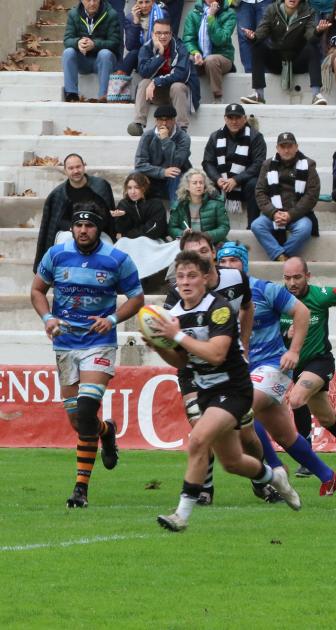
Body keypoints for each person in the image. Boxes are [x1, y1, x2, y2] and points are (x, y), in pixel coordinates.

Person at [148, 250, 300, 532]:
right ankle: (273, 476)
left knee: (198, 439)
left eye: (192, 275)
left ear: (205, 278)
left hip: (234, 387)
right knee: (232, 463)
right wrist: (159, 346)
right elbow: (181, 361)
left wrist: (175, 335)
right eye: (180, 276)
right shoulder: (175, 315)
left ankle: (181, 515)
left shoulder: (219, 308)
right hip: (207, 392)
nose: (185, 281)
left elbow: (217, 355)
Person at [30, 209, 144, 508]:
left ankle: (80, 488)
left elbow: (137, 297)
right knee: (79, 422)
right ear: (72, 228)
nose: (83, 230)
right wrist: (47, 318)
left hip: (98, 343)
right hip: (65, 343)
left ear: (98, 229)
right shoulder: (56, 255)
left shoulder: (117, 259)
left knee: (86, 408)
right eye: (78, 225)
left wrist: (112, 319)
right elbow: (37, 290)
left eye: (89, 225)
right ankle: (106, 430)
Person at [215, 244, 336, 498]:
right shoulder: (215, 298)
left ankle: (275, 470)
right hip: (241, 370)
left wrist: (294, 351)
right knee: (284, 435)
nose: (229, 266)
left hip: (272, 364)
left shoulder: (264, 289)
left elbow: (302, 312)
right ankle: (328, 476)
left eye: (234, 261)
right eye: (224, 261)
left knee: (241, 409)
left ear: (245, 264)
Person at [162, 232, 257, 506]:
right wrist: (159, 343)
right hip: (194, 371)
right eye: (192, 253)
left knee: (245, 437)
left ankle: (263, 477)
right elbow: (177, 352)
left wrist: (244, 343)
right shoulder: (175, 299)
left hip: (229, 371)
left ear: (212, 254)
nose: (198, 256)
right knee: (199, 426)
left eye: (203, 251)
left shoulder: (234, 280)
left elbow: (247, 308)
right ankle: (203, 489)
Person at [281, 257, 336, 481]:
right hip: (296, 365)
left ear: (308, 276)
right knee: (326, 418)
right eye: (287, 278)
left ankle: (306, 458)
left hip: (320, 361)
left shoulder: (319, 295)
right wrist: (285, 335)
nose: (292, 283)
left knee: (296, 398)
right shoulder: (279, 299)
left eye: (297, 277)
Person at [34, 154, 116, 273]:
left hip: (97, 232)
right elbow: (56, 222)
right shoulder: (58, 194)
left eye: (78, 167)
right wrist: (74, 228)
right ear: (65, 171)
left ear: (84, 166)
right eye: (71, 168)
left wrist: (93, 227)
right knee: (64, 244)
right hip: (69, 233)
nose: (75, 171)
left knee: (110, 249)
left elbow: (108, 216)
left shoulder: (100, 186)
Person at [239, 0, 328, 106]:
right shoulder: (272, 9)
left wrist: (317, 31)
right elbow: (261, 33)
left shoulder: (308, 12)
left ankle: (316, 95)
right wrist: (253, 37)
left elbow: (311, 37)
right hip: (277, 61)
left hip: (298, 61)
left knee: (312, 47)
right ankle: (259, 95)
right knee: (258, 46)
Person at [253, 132, 320, 261]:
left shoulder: (309, 165)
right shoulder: (267, 165)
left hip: (298, 215)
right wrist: (273, 213)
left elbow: (312, 195)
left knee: (305, 228)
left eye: (290, 146)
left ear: (296, 147)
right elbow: (260, 192)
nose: (286, 150)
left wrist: (290, 214)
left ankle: (281, 255)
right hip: (274, 214)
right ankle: (280, 256)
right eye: (283, 147)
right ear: (277, 148)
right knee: (257, 225)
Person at [129, 19, 201, 135]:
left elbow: (181, 75)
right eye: (159, 33)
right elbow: (144, 72)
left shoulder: (181, 48)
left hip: (180, 95)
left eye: (166, 33)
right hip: (158, 93)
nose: (163, 36)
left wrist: (156, 81)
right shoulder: (146, 48)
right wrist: (160, 54)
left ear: (171, 34)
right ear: (153, 34)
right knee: (144, 82)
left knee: (177, 86)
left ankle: (181, 128)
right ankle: (138, 124)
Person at [202, 103, 267, 229]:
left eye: (237, 118)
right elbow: (207, 162)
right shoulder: (215, 136)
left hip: (245, 181)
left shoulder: (256, 137)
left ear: (245, 118)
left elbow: (258, 164)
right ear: (225, 119)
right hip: (222, 181)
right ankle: (210, 228)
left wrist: (236, 180)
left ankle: (252, 227)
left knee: (255, 185)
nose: (234, 121)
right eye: (230, 118)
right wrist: (217, 179)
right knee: (206, 185)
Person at [62, 0, 122, 103]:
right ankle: (71, 94)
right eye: (88, 0)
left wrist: (94, 44)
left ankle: (103, 96)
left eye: (95, 0)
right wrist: (78, 43)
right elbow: (67, 39)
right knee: (68, 52)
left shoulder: (111, 14)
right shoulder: (73, 14)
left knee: (105, 54)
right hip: (82, 60)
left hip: (103, 62)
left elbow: (115, 42)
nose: (92, 3)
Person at [182, 0, 237, 104]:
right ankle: (189, 98)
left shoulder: (229, 13)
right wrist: (195, 52)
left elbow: (220, 39)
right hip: (200, 59)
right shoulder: (193, 13)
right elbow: (188, 39)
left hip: (223, 56)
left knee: (211, 60)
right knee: (186, 59)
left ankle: (218, 97)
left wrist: (211, 17)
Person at [133, 104, 193, 201]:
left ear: (174, 120)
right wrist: (162, 172)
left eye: (167, 120)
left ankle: (175, 208)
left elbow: (176, 163)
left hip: (173, 179)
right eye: (160, 120)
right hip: (152, 176)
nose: (164, 123)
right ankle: (134, 207)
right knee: (134, 174)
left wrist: (165, 140)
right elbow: (139, 164)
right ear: (156, 121)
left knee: (175, 172)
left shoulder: (183, 138)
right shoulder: (147, 136)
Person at [169, 169, 230, 244]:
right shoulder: (179, 205)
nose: (199, 186)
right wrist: (183, 233)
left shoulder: (216, 203)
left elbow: (224, 227)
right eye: (194, 183)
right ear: (187, 186)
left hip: (212, 243)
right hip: (188, 243)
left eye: (201, 183)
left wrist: (206, 236)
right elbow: (172, 228)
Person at [119, 0, 168, 75]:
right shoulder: (130, 18)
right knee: (132, 54)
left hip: (158, 52)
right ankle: (119, 80)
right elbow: (130, 46)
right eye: (140, 2)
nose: (144, 6)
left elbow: (168, 38)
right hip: (140, 55)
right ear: (136, 3)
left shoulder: (162, 14)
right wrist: (136, 23)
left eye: (147, 2)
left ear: (153, 2)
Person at [236, 0, 274, 73]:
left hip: (266, 1)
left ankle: (267, 74)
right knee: (245, 36)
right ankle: (249, 74)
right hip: (242, 2)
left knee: (266, 36)